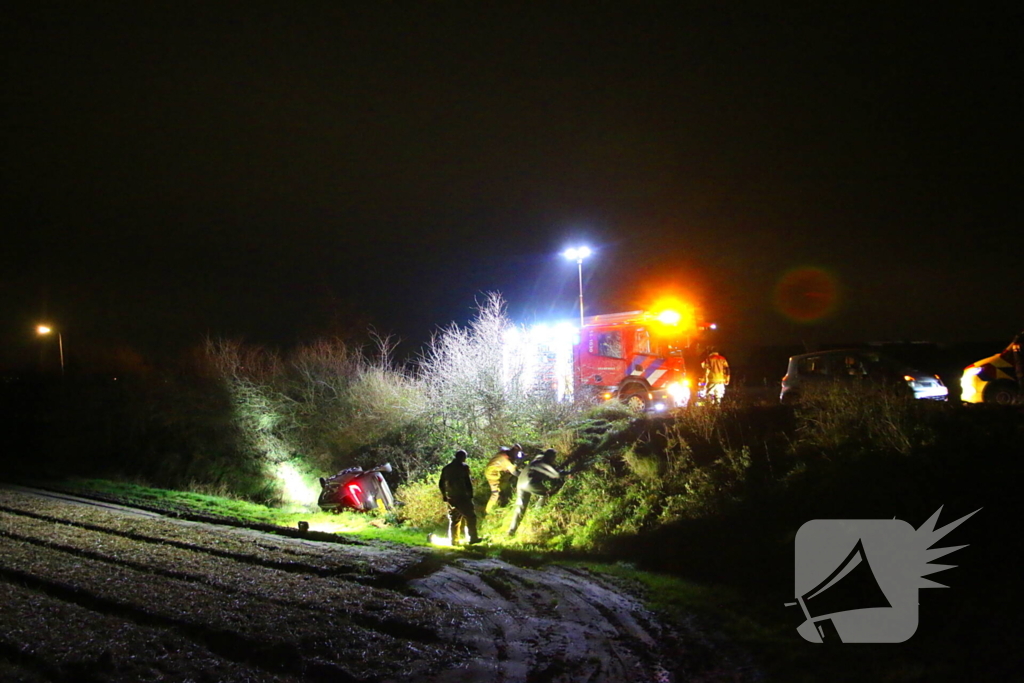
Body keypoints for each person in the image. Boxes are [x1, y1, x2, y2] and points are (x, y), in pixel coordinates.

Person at [508, 449, 562, 537]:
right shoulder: (544, 462)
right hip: (529, 482)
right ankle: (537, 513)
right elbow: (554, 475)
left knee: (520, 508)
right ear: (551, 457)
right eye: (554, 457)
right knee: (545, 495)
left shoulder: (534, 461)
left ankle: (511, 531)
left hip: (520, 483)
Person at [439, 449, 480, 545]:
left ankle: (454, 540)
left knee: (454, 519)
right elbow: (467, 482)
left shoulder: (446, 468)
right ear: (462, 457)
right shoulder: (464, 467)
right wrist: (470, 494)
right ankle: (472, 538)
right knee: (470, 517)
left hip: (451, 497)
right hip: (462, 496)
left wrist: (444, 495)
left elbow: (441, 483)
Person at [484, 444, 524, 514]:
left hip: (493, 470)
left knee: (504, 485)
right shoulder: (506, 461)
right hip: (492, 474)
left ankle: (502, 499)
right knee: (495, 493)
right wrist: (523, 474)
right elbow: (515, 473)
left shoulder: (504, 452)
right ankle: (488, 511)